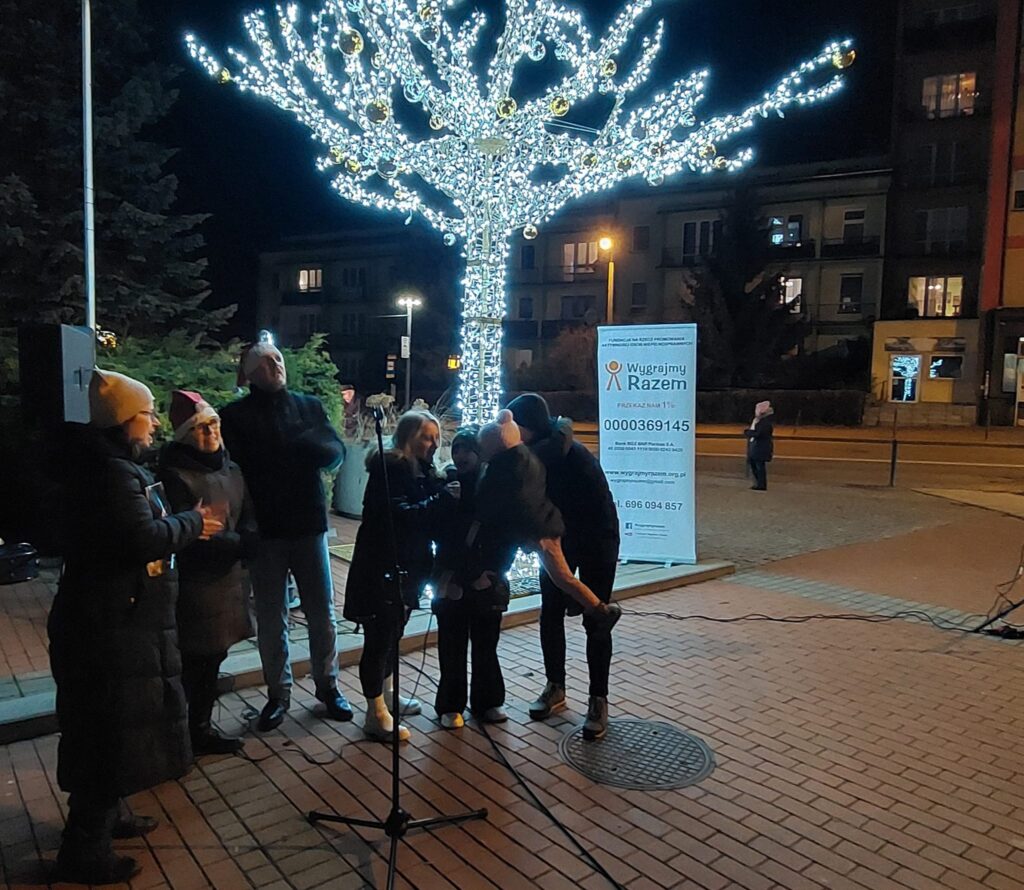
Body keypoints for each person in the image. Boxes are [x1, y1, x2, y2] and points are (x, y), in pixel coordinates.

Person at [49, 370, 222, 884]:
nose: (152, 424)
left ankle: (110, 815)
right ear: (123, 420)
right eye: (145, 414)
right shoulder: (110, 473)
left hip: (119, 618)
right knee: (105, 727)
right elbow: (140, 537)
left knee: (116, 727)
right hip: (108, 624)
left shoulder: (114, 466)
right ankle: (84, 848)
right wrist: (195, 522)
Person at [219, 340, 351, 731]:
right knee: (273, 617)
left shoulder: (308, 406)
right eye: (265, 362)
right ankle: (279, 694)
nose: (275, 365)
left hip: (308, 525)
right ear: (249, 373)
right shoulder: (236, 417)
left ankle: (328, 687)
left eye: (278, 358)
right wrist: (299, 449)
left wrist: (302, 447)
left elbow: (335, 450)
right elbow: (242, 468)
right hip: (265, 530)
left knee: (321, 612)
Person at [507, 393, 620, 741]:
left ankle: (598, 700)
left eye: (517, 429)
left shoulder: (552, 453)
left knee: (596, 618)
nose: (514, 436)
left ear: (530, 428)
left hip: (598, 537)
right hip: (561, 537)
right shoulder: (549, 444)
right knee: (551, 612)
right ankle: (555, 686)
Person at [158, 391, 257, 756]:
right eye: (200, 428)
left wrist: (249, 535)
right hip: (196, 583)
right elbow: (188, 534)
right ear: (185, 434)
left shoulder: (231, 467)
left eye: (213, 424)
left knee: (213, 659)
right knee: (193, 662)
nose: (210, 432)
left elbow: (246, 512)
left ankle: (199, 727)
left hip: (229, 580)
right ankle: (184, 732)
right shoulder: (174, 475)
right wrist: (239, 544)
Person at [344, 410, 450, 741]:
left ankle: (387, 696)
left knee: (393, 634)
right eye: (426, 437)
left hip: (408, 566)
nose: (433, 444)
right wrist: (440, 500)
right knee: (379, 638)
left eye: (436, 438)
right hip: (382, 566)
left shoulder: (423, 469)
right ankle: (374, 712)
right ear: (407, 438)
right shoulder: (390, 469)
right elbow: (398, 516)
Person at [431, 427, 508, 729]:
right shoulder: (445, 484)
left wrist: (492, 573)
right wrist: (447, 502)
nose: (460, 455)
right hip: (453, 578)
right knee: (451, 643)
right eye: (457, 448)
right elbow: (439, 534)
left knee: (486, 643)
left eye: (468, 449)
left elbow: (505, 533)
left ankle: (488, 701)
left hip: (486, 577)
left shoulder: (494, 487)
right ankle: (450, 704)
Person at [745, 400, 774, 491]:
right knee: (755, 465)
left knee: (759, 466)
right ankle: (758, 483)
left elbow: (759, 434)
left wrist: (748, 432)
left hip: (760, 447)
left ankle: (761, 484)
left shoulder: (764, 423)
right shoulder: (759, 421)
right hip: (757, 446)